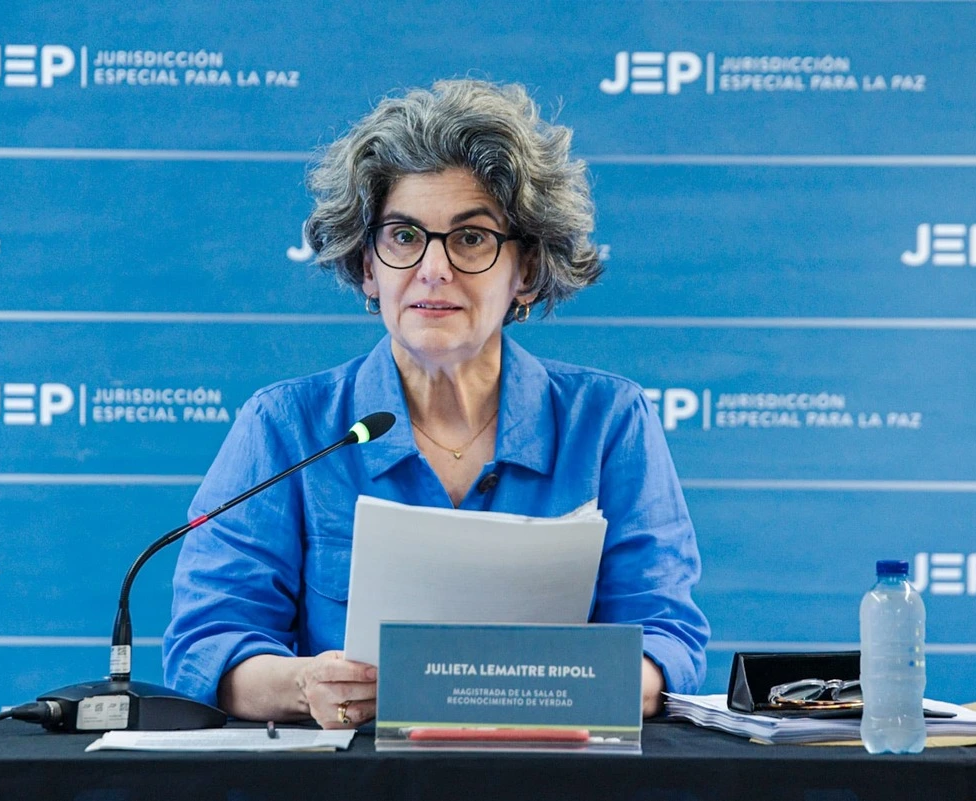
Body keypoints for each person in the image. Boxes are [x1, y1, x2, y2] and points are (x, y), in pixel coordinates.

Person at [162, 79, 710, 729]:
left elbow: (667, 639)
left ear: (526, 270)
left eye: (471, 238)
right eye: (403, 236)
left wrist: (566, 686)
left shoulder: (609, 422)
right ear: (368, 265)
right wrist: (306, 681)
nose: (433, 269)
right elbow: (207, 648)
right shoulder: (285, 427)